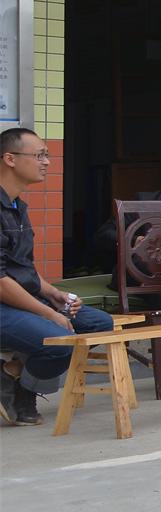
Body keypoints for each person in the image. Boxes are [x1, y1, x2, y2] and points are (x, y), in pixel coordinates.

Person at [1, 128, 116, 425]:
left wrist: (53, 294)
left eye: (47, 155)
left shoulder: (17, 206)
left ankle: (12, 374)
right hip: (4, 304)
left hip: (21, 299)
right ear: (10, 159)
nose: (47, 162)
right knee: (60, 337)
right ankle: (22, 394)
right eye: (40, 155)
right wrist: (48, 313)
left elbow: (22, 267)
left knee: (100, 324)